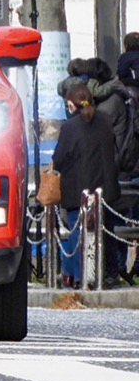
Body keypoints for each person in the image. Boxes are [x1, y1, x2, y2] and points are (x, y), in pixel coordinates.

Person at [51, 81, 122, 288]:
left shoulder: (70, 127)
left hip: (76, 189)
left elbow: (60, 157)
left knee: (75, 231)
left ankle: (75, 275)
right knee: (106, 230)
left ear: (71, 105)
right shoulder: (106, 121)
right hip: (105, 189)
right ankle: (109, 273)